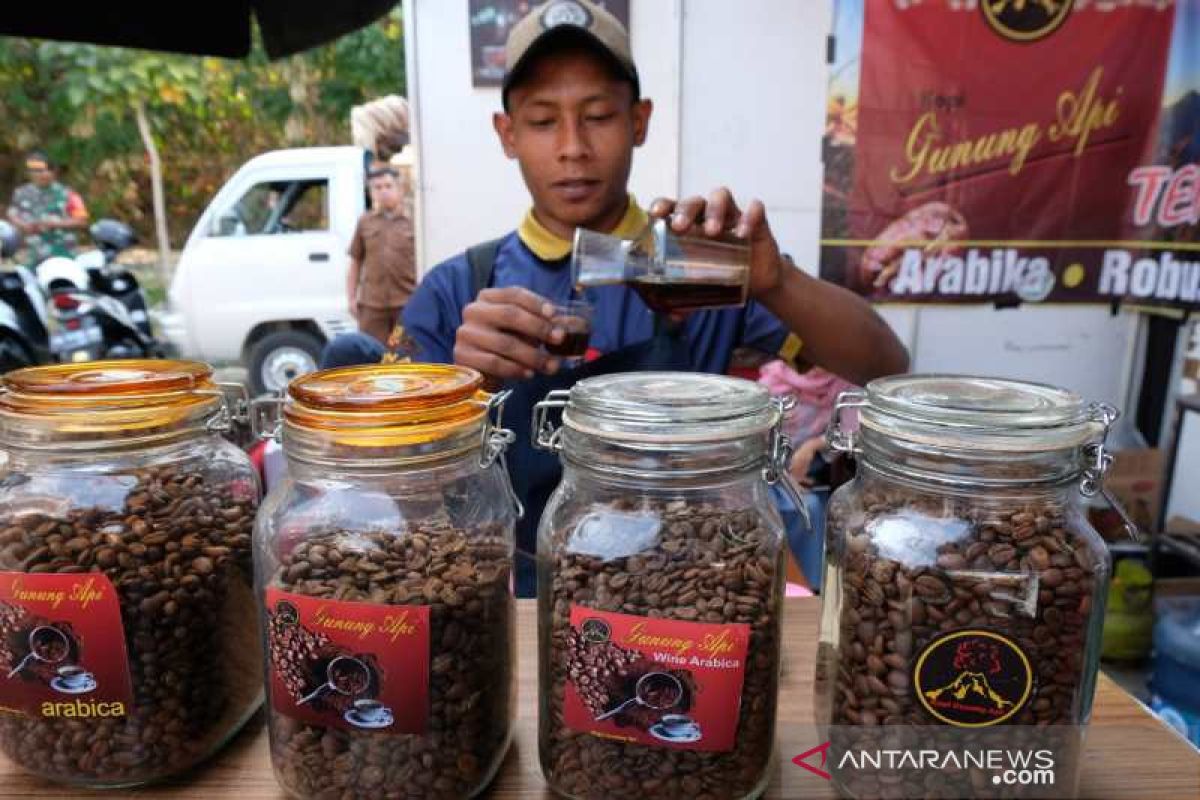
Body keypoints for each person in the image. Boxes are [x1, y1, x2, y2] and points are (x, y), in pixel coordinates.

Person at [320, 0, 909, 595]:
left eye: (598, 115)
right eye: (544, 121)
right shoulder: (456, 288)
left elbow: (884, 364)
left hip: (676, 592)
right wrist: (461, 388)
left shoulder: (696, 271)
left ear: (640, 121)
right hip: (514, 596)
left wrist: (777, 280)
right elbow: (382, 488)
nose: (573, 146)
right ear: (507, 134)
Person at [347, 166, 417, 345]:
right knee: (372, 358)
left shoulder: (414, 221)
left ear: (399, 189)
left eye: (388, 186)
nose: (383, 191)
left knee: (405, 357)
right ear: (371, 192)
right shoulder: (365, 222)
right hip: (372, 307)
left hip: (407, 304)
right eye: (377, 188)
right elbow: (355, 261)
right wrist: (351, 297)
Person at [6, 150, 90, 265]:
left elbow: (82, 221)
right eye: (37, 171)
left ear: (54, 172)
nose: (44, 174)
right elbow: (11, 214)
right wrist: (23, 225)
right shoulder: (21, 193)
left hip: (63, 254)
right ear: (29, 173)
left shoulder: (69, 194)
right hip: (33, 255)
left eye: (48, 170)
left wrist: (54, 223)